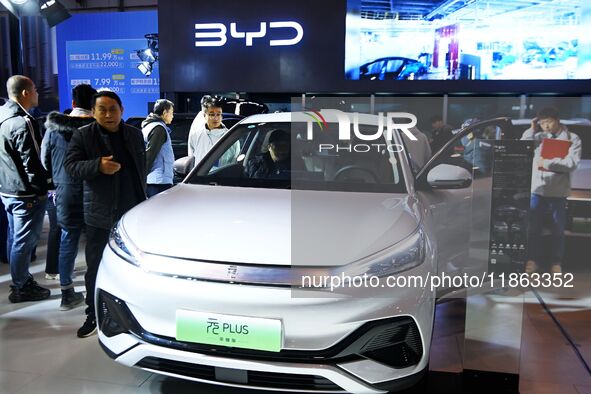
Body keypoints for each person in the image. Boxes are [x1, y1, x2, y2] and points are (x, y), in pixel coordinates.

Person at [65, 90, 146, 337]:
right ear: (93, 112)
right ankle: (93, 312)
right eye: (102, 109)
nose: (108, 114)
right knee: (96, 267)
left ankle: (134, 312)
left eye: (113, 109)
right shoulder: (83, 136)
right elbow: (70, 167)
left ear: (122, 110)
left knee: (134, 266)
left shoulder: (134, 134)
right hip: (100, 214)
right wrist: (97, 165)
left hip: (133, 213)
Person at [41, 83, 97, 310]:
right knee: (96, 245)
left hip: (65, 192)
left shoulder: (53, 130)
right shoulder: (96, 129)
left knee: (68, 240)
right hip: (94, 192)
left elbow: (45, 160)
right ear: (93, 104)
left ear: (73, 103)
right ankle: (94, 292)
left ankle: (66, 294)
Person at [0, 75, 52, 303]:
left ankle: (20, 280)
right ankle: (21, 286)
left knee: (15, 238)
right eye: (35, 90)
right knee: (23, 241)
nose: (38, 94)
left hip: (8, 189)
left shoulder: (3, 116)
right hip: (25, 193)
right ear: (25, 93)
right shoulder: (23, 121)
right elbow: (32, 162)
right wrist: (43, 189)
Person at [521, 107, 581, 274]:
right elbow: (522, 148)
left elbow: (572, 163)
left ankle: (556, 261)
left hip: (558, 191)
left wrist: (546, 163)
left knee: (557, 228)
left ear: (557, 120)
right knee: (534, 228)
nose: (545, 126)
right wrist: (531, 130)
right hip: (537, 189)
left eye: (548, 122)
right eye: (542, 123)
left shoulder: (572, 139)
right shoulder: (539, 137)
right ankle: (533, 259)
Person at [188, 98, 237, 167]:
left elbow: (235, 162)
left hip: (223, 176)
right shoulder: (196, 135)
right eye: (211, 114)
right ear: (204, 115)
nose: (216, 118)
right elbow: (191, 158)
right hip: (199, 177)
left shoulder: (230, 137)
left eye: (218, 114)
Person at [141, 99, 175, 197]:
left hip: (155, 180)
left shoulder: (149, 126)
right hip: (158, 182)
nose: (172, 116)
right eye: (171, 112)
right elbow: (150, 155)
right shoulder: (159, 128)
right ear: (165, 112)